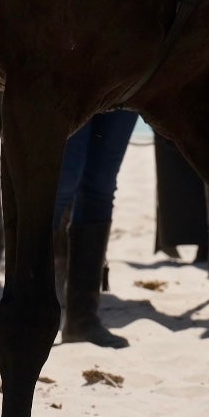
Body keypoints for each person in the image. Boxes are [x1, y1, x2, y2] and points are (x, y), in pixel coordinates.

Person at [54, 109, 139, 347]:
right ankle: (27, 313)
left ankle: (82, 318)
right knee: (61, 182)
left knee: (101, 185)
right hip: (72, 77)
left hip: (126, 79)